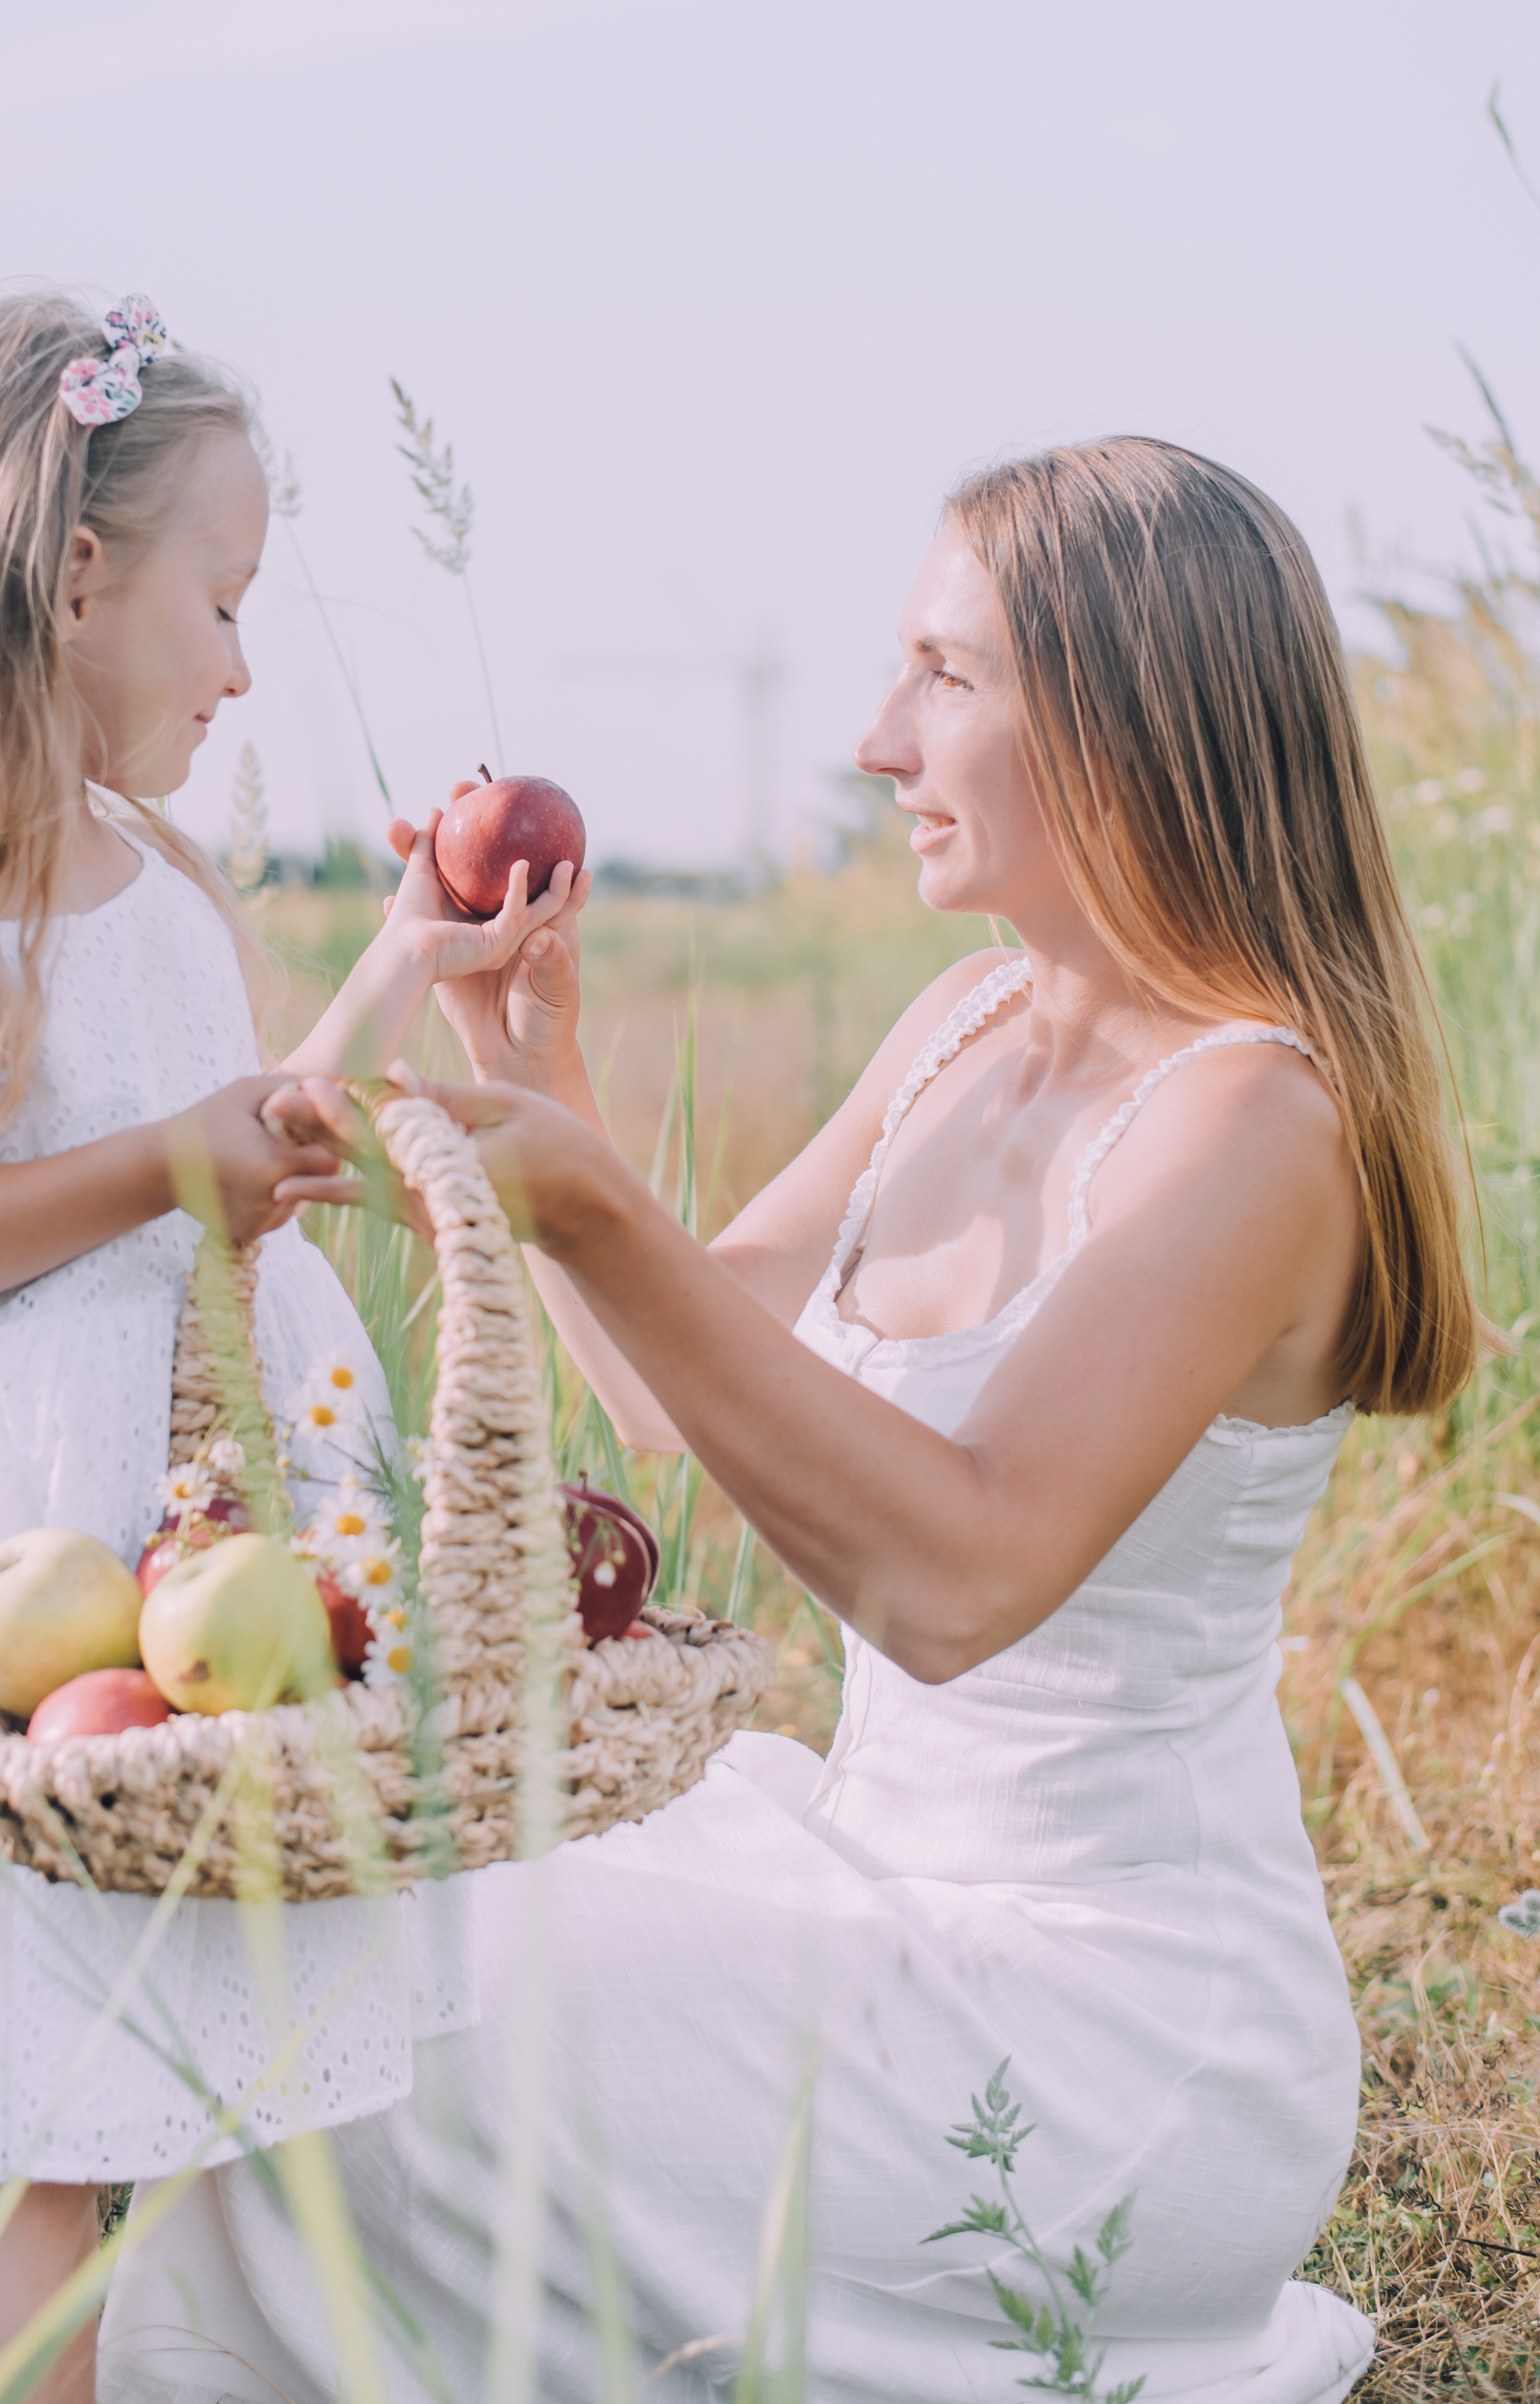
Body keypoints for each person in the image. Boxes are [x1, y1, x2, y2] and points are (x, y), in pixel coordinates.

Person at [107, 439, 1474, 2402]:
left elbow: (956, 1578)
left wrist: (573, 1192)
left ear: (1117, 718)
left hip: (1097, 2028)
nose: (869, 739)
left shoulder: (1254, 1122)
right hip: (870, 1880)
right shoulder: (961, 1026)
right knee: (348, 1945)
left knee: (401, 2032)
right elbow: (674, 1391)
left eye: (941, 675)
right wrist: (540, 1073)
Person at [0, 292, 579, 2404]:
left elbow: (227, 1127)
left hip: (208, 1561)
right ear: (78, 576)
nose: (246, 660)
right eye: (226, 596)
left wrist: (392, 973)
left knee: (153, 2109)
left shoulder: (147, 855)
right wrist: (154, 1167)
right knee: (30, 2157)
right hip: (50, 1577)